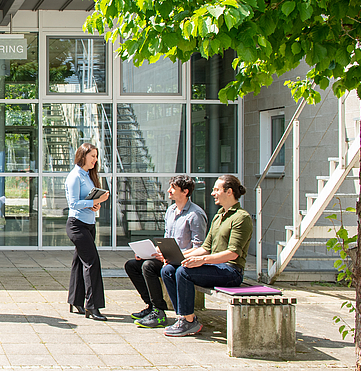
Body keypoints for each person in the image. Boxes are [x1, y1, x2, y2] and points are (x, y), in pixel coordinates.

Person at [161, 174, 253, 337]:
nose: (212, 193)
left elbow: (232, 254)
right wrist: (179, 257)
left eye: (216, 189)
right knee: (168, 269)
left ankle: (189, 322)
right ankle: (183, 316)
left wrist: (200, 260)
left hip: (231, 271)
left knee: (184, 272)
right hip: (215, 266)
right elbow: (205, 248)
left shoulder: (241, 217)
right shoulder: (219, 216)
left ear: (229, 192)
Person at [125, 175, 207, 328]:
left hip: (182, 261)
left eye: (173, 188)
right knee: (132, 265)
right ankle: (152, 306)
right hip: (167, 257)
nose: (168, 191)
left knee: (148, 266)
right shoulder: (171, 210)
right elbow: (166, 239)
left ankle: (159, 312)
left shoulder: (195, 215)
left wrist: (170, 255)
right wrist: (149, 252)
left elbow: (200, 247)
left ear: (185, 192)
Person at [64, 143, 111, 321]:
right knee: (92, 263)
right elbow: (74, 203)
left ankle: (75, 300)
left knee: (79, 262)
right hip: (77, 225)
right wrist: (93, 202)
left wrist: (94, 204)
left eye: (96, 156)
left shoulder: (87, 175)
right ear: (83, 156)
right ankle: (93, 306)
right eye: (93, 156)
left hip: (89, 224)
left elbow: (86, 200)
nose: (95, 160)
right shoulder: (75, 176)